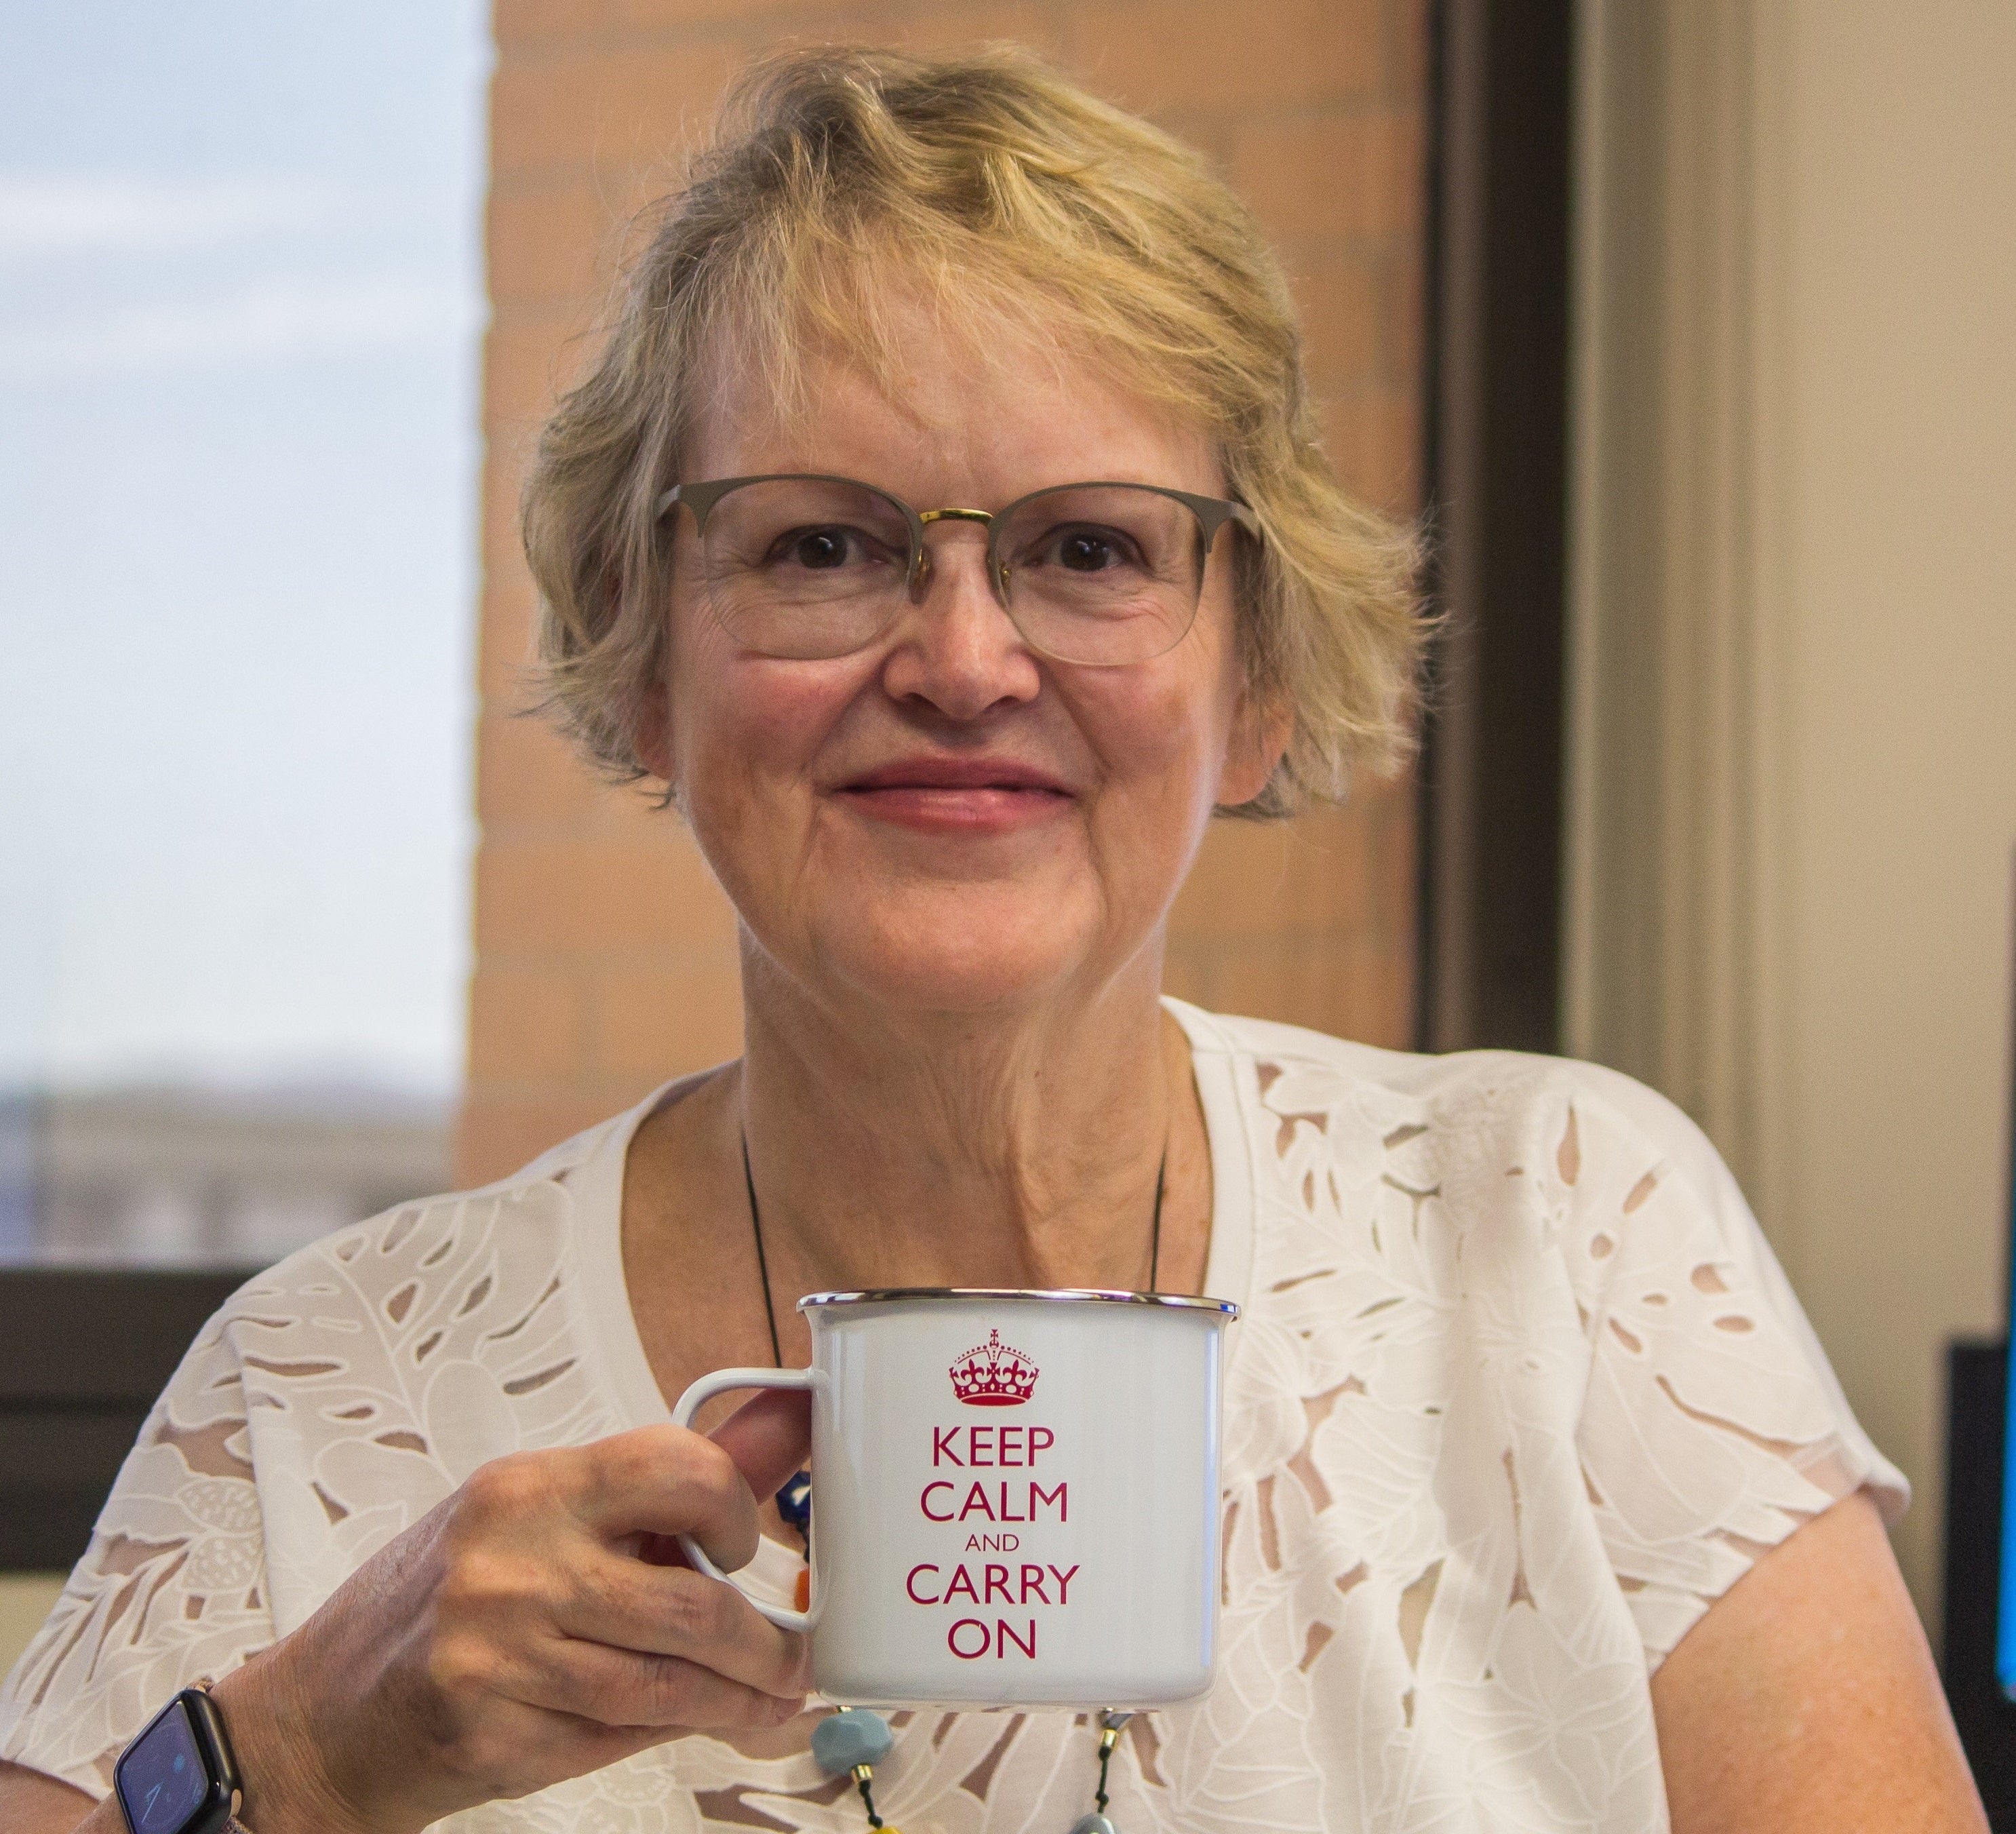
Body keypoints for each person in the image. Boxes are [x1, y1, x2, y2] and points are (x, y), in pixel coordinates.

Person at [0, 44, 1985, 1834]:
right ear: (647, 666)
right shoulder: (323, 1388)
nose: (962, 660)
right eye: (822, 546)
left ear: (1262, 677)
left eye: (1090, 549)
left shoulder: (1571, 1231)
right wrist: (310, 1760)